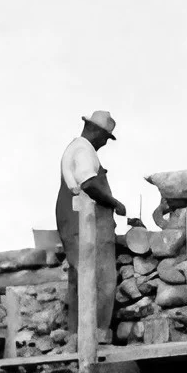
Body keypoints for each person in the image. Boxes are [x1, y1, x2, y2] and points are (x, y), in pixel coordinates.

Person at [56, 110, 127, 341]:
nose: (106, 142)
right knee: (98, 277)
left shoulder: (78, 148)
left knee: (83, 275)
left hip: (77, 217)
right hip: (83, 220)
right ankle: (93, 334)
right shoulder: (84, 150)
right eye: (106, 137)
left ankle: (79, 333)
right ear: (95, 131)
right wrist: (115, 203)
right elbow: (89, 184)